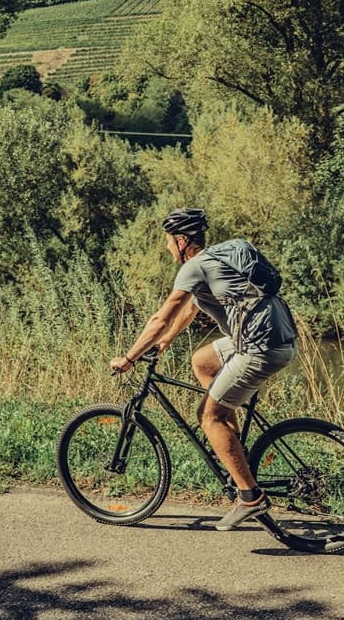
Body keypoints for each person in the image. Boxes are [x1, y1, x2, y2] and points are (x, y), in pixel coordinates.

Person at [110, 208, 298, 530]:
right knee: (203, 361)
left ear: (182, 241)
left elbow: (161, 317)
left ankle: (250, 497)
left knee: (208, 416)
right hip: (280, 336)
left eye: (169, 241)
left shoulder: (193, 267)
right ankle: (232, 443)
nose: (167, 247)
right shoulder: (219, 258)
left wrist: (129, 358)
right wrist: (166, 341)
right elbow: (190, 309)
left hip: (259, 347)